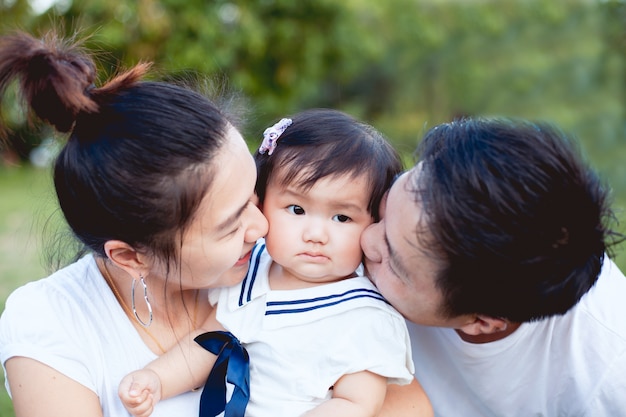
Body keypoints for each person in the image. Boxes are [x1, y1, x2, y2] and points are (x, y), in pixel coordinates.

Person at [118, 109, 425, 417]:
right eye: (296, 209)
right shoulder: (250, 271)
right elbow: (209, 343)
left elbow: (357, 404)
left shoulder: (365, 316)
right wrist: (157, 379)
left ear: (374, 222)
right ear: (262, 202)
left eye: (342, 217)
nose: (315, 234)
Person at [360, 116, 626, 416]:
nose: (365, 239)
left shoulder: (608, 377)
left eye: (392, 262)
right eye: (383, 209)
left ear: (481, 322)